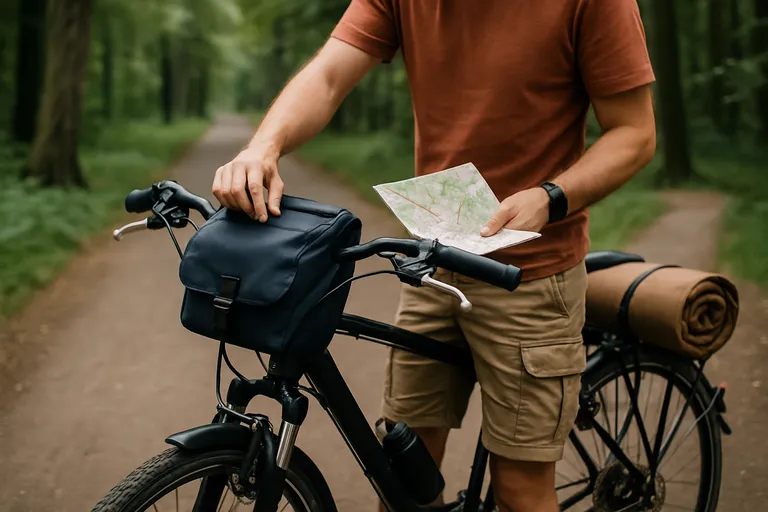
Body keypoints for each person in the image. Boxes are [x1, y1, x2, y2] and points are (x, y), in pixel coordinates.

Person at [212, 1, 656, 510]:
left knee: (519, 488)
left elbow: (635, 133)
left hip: (531, 274)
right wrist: (263, 147)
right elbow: (330, 75)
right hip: (435, 264)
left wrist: (551, 197)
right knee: (404, 476)